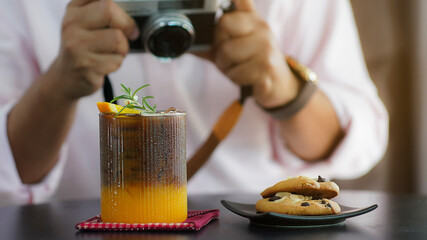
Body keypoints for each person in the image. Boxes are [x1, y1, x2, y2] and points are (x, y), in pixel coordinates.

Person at [0, 0, 388, 206]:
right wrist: (59, 86)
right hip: (84, 221)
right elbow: (7, 175)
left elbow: (361, 143)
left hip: (253, 220)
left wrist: (284, 88)